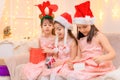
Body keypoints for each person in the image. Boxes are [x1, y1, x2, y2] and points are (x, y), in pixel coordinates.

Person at [67, 1, 116, 80]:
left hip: (98, 64)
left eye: (85, 26)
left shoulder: (99, 36)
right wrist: (73, 62)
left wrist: (102, 58)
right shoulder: (80, 39)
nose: (82, 30)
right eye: (79, 28)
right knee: (71, 74)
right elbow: (79, 56)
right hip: (86, 65)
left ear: (91, 24)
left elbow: (113, 54)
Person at [14, 1, 59, 80]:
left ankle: (48, 71)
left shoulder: (55, 38)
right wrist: (32, 50)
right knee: (30, 69)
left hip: (52, 58)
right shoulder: (40, 38)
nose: (47, 27)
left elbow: (57, 51)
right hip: (42, 59)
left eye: (49, 25)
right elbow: (39, 50)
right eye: (45, 25)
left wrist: (50, 51)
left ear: (53, 27)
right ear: (41, 27)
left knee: (47, 66)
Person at [44, 12, 78, 80]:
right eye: (56, 29)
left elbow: (73, 58)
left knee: (57, 76)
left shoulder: (72, 42)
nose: (57, 31)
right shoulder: (58, 41)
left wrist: (61, 63)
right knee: (46, 72)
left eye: (59, 29)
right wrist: (52, 61)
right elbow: (55, 55)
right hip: (58, 63)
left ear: (66, 29)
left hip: (66, 63)